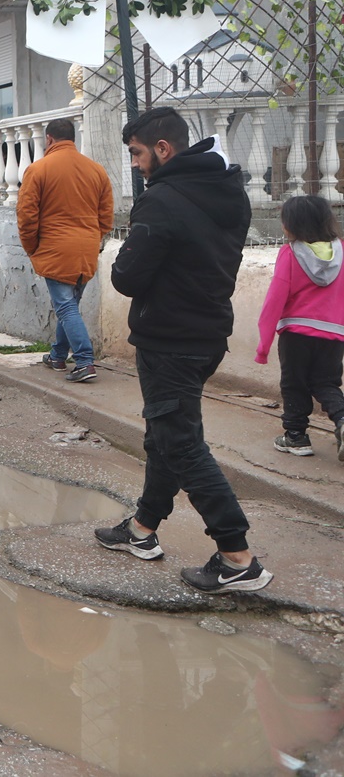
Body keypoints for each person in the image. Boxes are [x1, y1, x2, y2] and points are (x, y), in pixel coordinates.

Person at [98, 107, 272, 593]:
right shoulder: (226, 191)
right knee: (164, 435)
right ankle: (142, 529)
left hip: (169, 341)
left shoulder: (162, 202)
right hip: (206, 333)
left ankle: (237, 557)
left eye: (136, 153)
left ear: (162, 149)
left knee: (181, 443)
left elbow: (126, 277)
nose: (133, 164)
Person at [17, 117, 113, 383]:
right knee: (69, 305)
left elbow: (26, 216)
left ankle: (84, 361)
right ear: (73, 139)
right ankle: (58, 355)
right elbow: (106, 217)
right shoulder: (96, 170)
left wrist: (32, 247)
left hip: (55, 247)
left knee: (66, 308)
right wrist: (94, 237)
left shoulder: (38, 169)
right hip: (86, 249)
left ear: (49, 139)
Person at [257, 195, 344, 457]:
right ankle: (341, 419)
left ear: (291, 225)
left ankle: (296, 436)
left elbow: (275, 299)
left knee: (294, 383)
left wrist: (263, 346)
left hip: (296, 333)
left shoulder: (290, 253)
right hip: (334, 333)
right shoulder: (342, 251)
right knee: (327, 382)